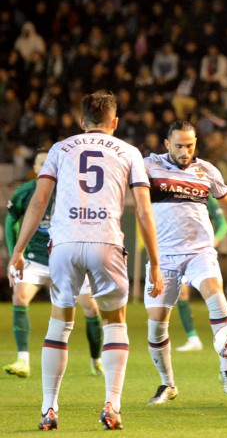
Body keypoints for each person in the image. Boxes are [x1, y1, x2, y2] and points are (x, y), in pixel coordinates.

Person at [8, 91, 163, 430]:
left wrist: (17, 251)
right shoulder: (130, 152)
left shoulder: (60, 149)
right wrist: (154, 260)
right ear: (115, 122)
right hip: (105, 242)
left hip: (63, 243)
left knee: (59, 324)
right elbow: (143, 210)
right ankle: (112, 405)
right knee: (115, 321)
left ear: (81, 122)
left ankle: (49, 409)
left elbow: (39, 201)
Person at [142, 120, 227, 404]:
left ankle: (226, 369)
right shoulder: (147, 166)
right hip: (163, 256)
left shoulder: (207, 170)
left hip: (200, 251)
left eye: (189, 145)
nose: (184, 150)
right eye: (178, 145)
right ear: (167, 144)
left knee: (216, 297)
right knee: (156, 325)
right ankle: (167, 384)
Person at [4, 150, 104, 379]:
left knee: (90, 308)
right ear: (37, 169)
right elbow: (11, 220)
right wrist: (14, 254)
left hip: (68, 257)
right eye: (42, 163)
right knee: (19, 296)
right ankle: (23, 359)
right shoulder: (27, 192)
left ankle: (96, 360)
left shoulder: (73, 191)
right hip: (35, 257)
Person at [175, 195, 227, 352]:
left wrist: (215, 241)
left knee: (215, 292)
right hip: (181, 251)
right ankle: (193, 339)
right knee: (180, 293)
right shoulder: (175, 193)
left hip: (203, 253)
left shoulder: (206, 195)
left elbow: (223, 224)